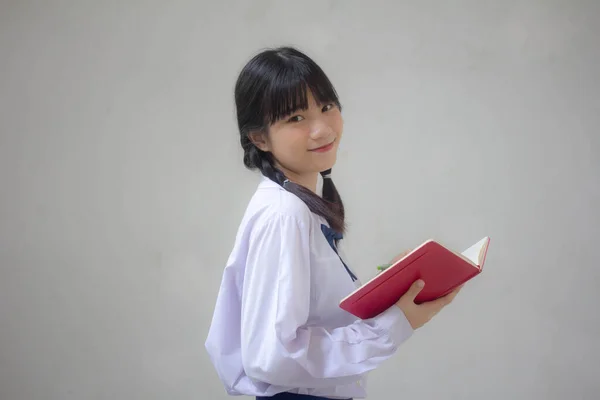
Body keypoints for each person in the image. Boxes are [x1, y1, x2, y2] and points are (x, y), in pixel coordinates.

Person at [204, 46, 462, 400]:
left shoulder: (293, 205)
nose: (322, 129)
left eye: (326, 107)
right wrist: (393, 325)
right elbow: (274, 356)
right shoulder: (285, 214)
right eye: (295, 118)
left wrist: (390, 292)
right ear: (259, 137)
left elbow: (312, 316)